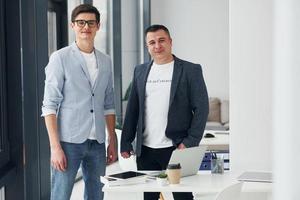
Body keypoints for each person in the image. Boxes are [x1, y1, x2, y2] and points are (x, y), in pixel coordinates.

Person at [121, 24, 209, 200]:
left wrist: (190, 142)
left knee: (182, 196)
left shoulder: (190, 70)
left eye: (161, 40)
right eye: (152, 42)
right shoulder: (140, 71)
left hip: (176, 147)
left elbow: (202, 108)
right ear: (147, 47)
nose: (157, 46)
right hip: (146, 150)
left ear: (170, 42)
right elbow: (133, 108)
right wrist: (126, 141)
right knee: (150, 197)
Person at [41, 4, 117, 200]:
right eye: (81, 22)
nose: (86, 27)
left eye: (91, 23)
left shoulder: (106, 60)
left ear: (98, 26)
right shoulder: (60, 58)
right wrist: (55, 147)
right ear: (72, 25)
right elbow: (49, 105)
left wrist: (112, 140)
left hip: (97, 141)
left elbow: (108, 103)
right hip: (68, 142)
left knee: (96, 195)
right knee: (61, 195)